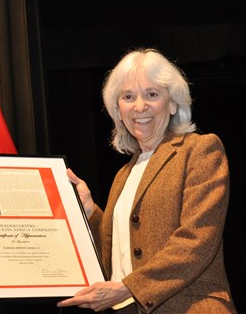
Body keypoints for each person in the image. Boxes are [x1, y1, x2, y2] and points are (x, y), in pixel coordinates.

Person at [58, 48, 236, 313]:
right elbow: (120, 252)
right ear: (118, 110)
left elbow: (197, 240)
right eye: (128, 97)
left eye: (151, 94)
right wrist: (90, 211)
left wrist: (128, 288)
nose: (139, 106)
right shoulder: (124, 174)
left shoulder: (199, 150)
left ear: (173, 103)